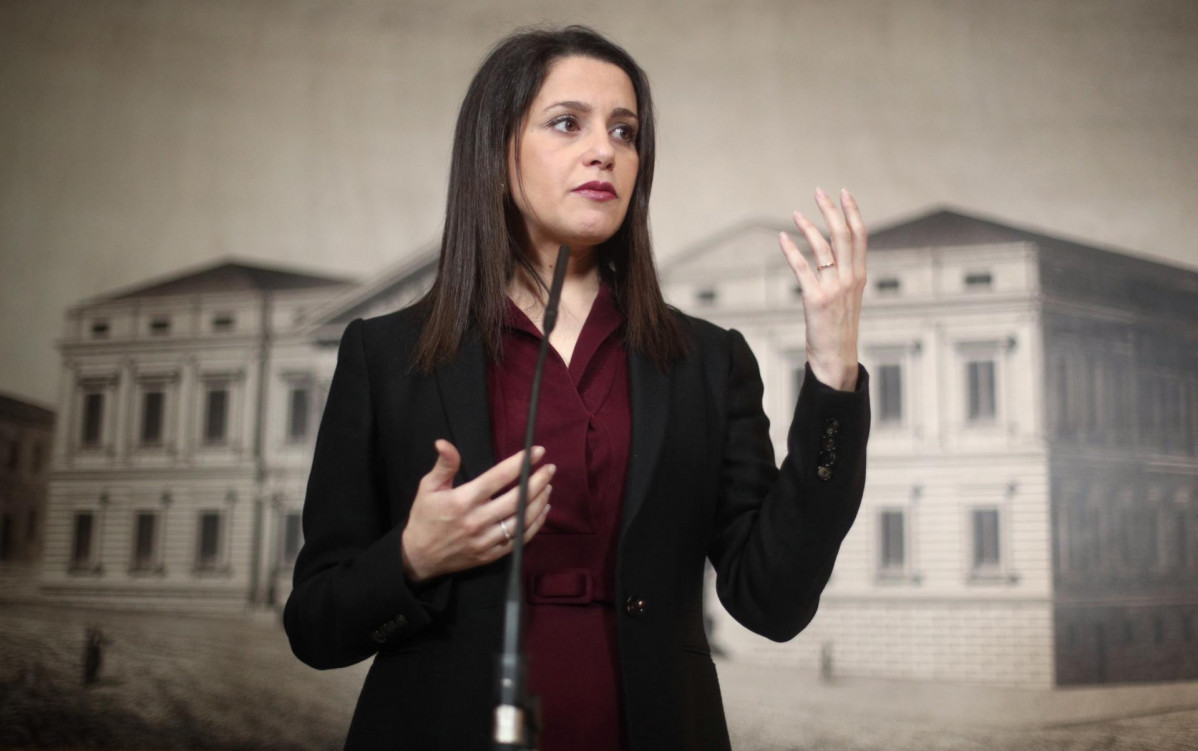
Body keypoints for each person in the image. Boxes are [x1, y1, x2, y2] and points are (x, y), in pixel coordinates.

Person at [283, 25, 870, 751]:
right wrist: (414, 555)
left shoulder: (708, 362)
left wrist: (834, 369)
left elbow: (773, 601)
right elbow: (315, 625)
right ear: (497, 155)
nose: (606, 151)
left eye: (626, 132)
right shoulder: (384, 355)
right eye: (568, 123)